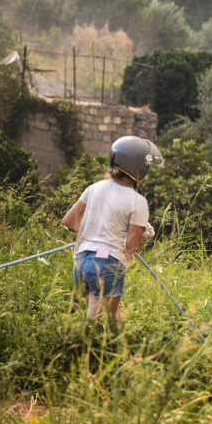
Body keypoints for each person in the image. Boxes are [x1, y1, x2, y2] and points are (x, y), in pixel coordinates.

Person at [62, 136, 163, 325]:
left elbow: (69, 220)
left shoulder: (95, 188)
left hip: (81, 261)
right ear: (139, 168)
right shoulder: (137, 201)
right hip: (106, 262)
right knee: (96, 321)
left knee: (111, 316)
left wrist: (97, 233)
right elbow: (132, 245)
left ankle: (123, 347)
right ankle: (78, 350)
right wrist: (142, 235)